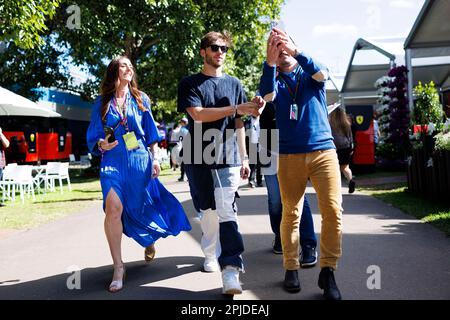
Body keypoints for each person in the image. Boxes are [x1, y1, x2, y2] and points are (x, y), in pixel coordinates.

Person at [86, 56, 191, 293]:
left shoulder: (140, 98)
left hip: (139, 160)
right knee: (113, 208)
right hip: (112, 161)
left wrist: (155, 158)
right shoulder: (101, 102)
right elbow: (94, 134)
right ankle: (118, 267)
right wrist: (101, 144)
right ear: (114, 71)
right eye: (124, 65)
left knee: (142, 207)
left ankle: (149, 238)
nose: (129, 69)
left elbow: (151, 132)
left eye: (131, 66)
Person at [259, 27, 343, 300]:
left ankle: (328, 271)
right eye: (275, 45)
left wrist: (295, 51)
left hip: (322, 152)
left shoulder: (309, 72)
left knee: (332, 211)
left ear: (295, 45)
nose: (281, 48)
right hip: (289, 155)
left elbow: (323, 74)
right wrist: (269, 63)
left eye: (284, 43)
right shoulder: (273, 78)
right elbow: (267, 99)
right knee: (291, 213)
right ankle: (290, 267)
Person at [177, 31, 263, 295]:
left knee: (227, 209)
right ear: (203, 51)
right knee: (207, 210)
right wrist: (235, 108)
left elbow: (239, 124)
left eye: (224, 48)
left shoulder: (235, 84)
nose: (220, 52)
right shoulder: (190, 83)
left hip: (229, 159)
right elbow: (198, 115)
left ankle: (231, 270)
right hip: (198, 156)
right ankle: (209, 252)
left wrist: (245, 156)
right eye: (215, 47)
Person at [259, 102, 317, 267]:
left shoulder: (298, 96)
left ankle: (308, 245)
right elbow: (263, 131)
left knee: (300, 199)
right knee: (275, 201)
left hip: (295, 155)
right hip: (271, 156)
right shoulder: (268, 101)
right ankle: (280, 236)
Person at [328, 106, 356, 194]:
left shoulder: (330, 123)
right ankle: (351, 180)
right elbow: (350, 136)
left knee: (335, 169)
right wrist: (351, 147)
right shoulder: (346, 123)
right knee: (346, 168)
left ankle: (336, 188)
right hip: (346, 147)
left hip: (335, 148)